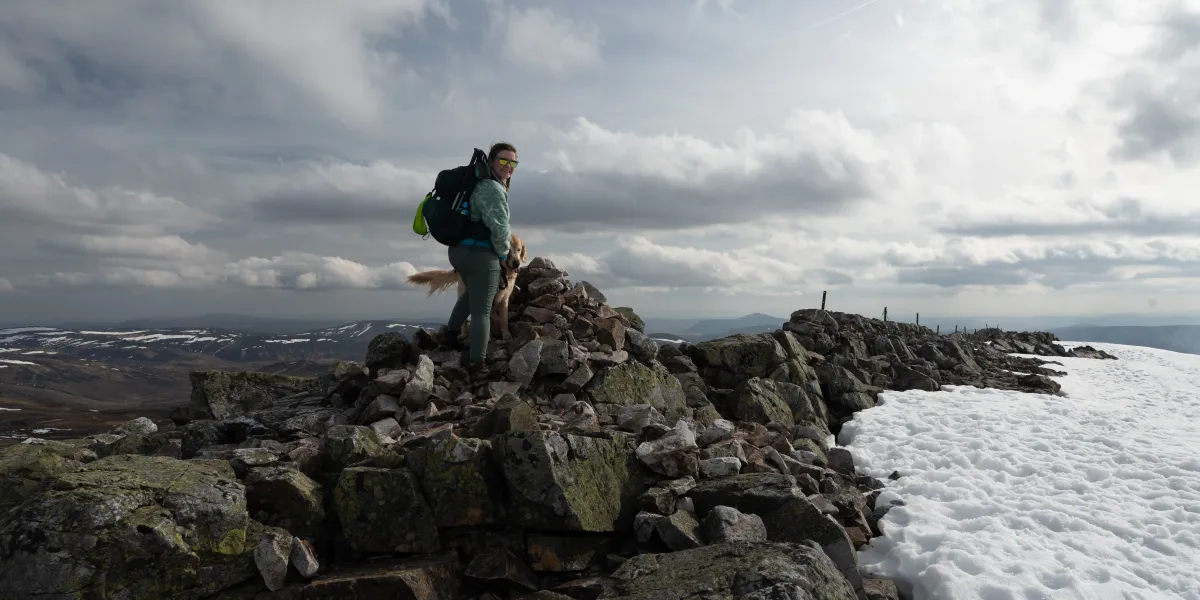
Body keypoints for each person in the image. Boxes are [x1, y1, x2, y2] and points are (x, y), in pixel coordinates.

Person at [441, 142, 521, 378]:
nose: (508, 166)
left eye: (512, 162)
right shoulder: (492, 189)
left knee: (472, 294)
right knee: (482, 311)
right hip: (478, 254)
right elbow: (500, 230)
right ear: (492, 162)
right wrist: (505, 255)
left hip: (459, 252)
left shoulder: (480, 184)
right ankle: (478, 365)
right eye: (503, 161)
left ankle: (450, 336)